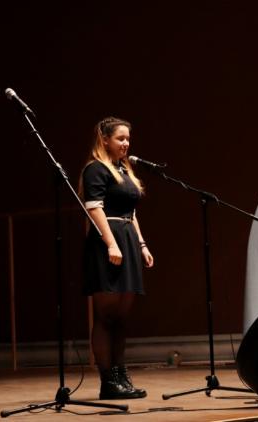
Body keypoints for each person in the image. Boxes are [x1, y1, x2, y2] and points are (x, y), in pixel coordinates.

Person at [79, 116, 154, 400]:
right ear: (105, 140)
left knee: (121, 317)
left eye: (128, 139)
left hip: (128, 240)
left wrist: (142, 245)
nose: (126, 143)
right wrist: (111, 243)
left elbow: (131, 213)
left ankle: (122, 377)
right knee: (106, 315)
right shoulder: (96, 169)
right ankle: (108, 381)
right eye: (120, 138)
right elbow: (94, 208)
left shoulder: (124, 170)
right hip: (107, 242)